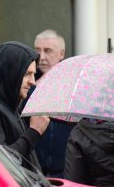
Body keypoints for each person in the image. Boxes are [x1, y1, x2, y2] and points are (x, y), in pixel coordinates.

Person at [0, 41, 50, 172]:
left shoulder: (11, 108)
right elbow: (0, 164)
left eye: (33, 74)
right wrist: (33, 132)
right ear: (9, 73)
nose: (33, 82)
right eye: (26, 74)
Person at [23, 29, 76, 178]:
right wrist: (35, 89)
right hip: (34, 168)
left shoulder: (74, 83)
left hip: (66, 168)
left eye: (48, 51)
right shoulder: (28, 81)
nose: (42, 57)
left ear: (61, 54)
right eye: (38, 51)